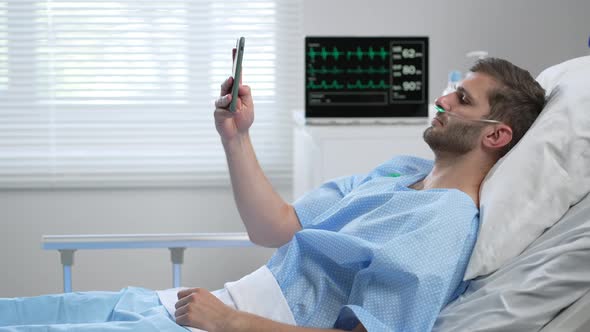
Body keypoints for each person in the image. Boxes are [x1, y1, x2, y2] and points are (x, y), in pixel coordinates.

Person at [0, 58, 546, 332]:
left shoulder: (445, 222)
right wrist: (236, 138)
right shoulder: (397, 174)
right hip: (186, 307)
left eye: (463, 98)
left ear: (496, 134)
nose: (442, 98)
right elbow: (276, 227)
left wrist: (229, 321)